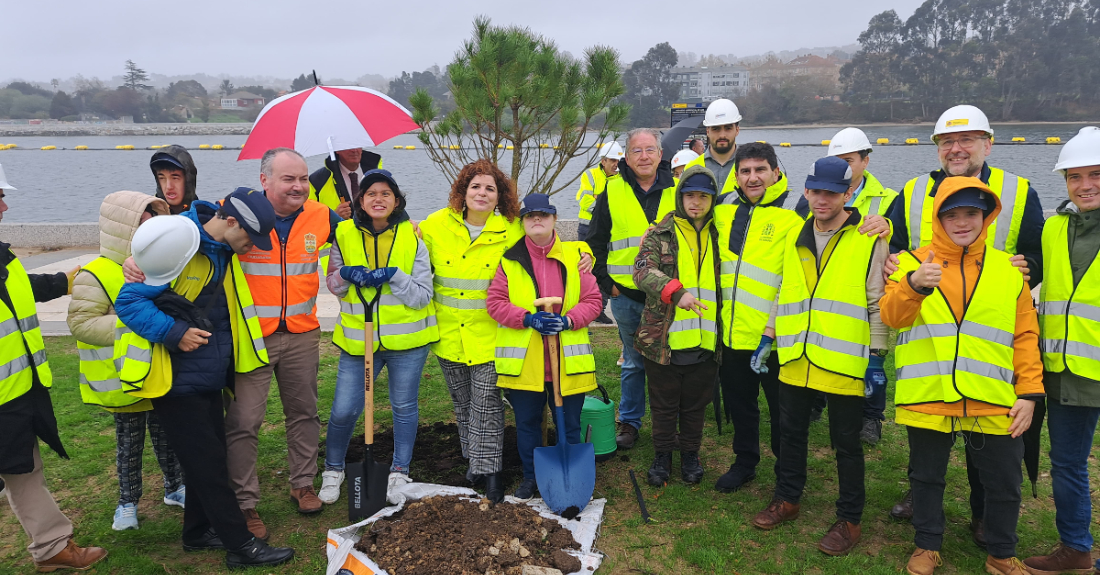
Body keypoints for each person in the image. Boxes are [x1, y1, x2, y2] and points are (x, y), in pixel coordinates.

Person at [114, 188, 295, 569]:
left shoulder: (218, 243)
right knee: (210, 465)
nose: (251, 247)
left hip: (209, 373)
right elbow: (128, 302)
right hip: (175, 379)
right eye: (249, 237)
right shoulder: (178, 240)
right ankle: (240, 545)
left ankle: (197, 531)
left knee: (207, 457)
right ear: (230, 222)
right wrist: (173, 332)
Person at [886, 105, 1045, 531]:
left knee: (987, 433)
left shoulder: (1018, 190)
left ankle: (983, 512)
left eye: (966, 140)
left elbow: (1037, 251)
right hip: (929, 327)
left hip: (988, 327)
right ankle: (921, 499)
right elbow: (897, 248)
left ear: (987, 144)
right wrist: (895, 265)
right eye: (946, 142)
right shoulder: (915, 190)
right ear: (937, 148)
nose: (956, 149)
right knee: (928, 430)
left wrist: (1028, 265)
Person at [751, 157, 889, 558]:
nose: (821, 199)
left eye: (831, 192)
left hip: (843, 360)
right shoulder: (796, 236)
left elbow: (877, 301)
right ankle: (787, 498)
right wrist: (768, 338)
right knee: (790, 434)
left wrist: (876, 356)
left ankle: (849, 518)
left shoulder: (868, 238)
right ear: (806, 190)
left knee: (846, 443)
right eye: (815, 191)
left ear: (848, 193)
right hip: (795, 356)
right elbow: (784, 290)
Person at [226, 148, 341, 534]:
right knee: (244, 420)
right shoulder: (236, 212)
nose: (298, 186)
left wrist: (410, 227)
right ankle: (244, 503)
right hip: (253, 338)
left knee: (304, 412)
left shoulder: (321, 216)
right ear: (264, 181)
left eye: (304, 178)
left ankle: (303, 484)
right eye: (288, 178)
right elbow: (198, 234)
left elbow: (366, 231)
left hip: (302, 333)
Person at [0, 163, 105, 572]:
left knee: (23, 471)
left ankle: (51, 545)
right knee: (22, 474)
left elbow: (19, 290)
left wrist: (67, 279)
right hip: (6, 398)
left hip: (17, 392)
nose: (5, 206)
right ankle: (51, 546)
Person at [66, 191, 185, 531]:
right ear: (123, 229)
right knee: (129, 446)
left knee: (167, 437)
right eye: (142, 226)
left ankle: (175, 487)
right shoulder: (95, 273)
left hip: (156, 374)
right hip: (120, 378)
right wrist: (135, 324)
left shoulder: (157, 266)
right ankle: (127, 503)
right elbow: (82, 323)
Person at [324, 169, 437, 504]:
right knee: (344, 409)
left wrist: (394, 276)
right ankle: (333, 468)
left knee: (403, 407)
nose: (378, 199)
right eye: (371, 193)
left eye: (386, 193)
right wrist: (345, 274)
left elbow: (421, 295)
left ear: (397, 201)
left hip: (407, 342)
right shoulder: (343, 234)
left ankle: (400, 470)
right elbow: (334, 286)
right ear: (360, 200)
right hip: (359, 342)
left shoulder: (412, 236)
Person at [418, 159, 524, 504]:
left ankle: (491, 473)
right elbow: (405, 246)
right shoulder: (435, 225)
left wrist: (585, 255)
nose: (482, 193)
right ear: (462, 192)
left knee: (487, 406)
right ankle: (474, 462)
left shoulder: (513, 230)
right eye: (475, 186)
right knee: (463, 405)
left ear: (499, 197)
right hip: (448, 336)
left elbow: (550, 246)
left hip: (491, 336)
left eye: (490, 188)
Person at [486, 193, 602, 501]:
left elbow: (593, 302)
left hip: (568, 363)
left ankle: (572, 478)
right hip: (527, 364)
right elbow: (495, 303)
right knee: (527, 425)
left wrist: (567, 321)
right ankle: (531, 477)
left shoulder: (576, 257)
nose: (537, 219)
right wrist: (527, 319)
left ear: (554, 218)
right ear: (523, 222)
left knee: (571, 424)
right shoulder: (509, 261)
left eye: (544, 214)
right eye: (530, 216)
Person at [1024, 127, 1100, 575]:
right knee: (1068, 465)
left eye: (1096, 174)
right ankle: (1076, 549)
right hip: (1066, 372)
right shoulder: (1053, 228)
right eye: (1074, 177)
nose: (1085, 185)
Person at [795, 127, 900, 444]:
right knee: (821, 348)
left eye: (850, 159)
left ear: (865, 161)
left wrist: (889, 227)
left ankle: (871, 417)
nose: (844, 165)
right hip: (825, 291)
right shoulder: (811, 198)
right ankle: (816, 402)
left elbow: (901, 245)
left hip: (866, 293)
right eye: (836, 159)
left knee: (872, 361)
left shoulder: (888, 200)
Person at [710, 143, 803, 494]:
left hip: (774, 338)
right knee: (741, 406)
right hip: (733, 335)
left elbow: (792, 282)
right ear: (736, 175)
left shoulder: (793, 214)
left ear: (775, 172)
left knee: (783, 413)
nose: (752, 178)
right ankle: (745, 462)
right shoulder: (725, 210)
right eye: (745, 171)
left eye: (760, 170)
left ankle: (787, 470)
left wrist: (772, 329)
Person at [586, 128, 678, 450]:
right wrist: (606, 283)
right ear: (626, 156)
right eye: (636, 151)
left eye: (650, 150)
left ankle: (668, 425)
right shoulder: (611, 191)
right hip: (625, 294)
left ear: (660, 154)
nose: (643, 156)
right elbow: (595, 240)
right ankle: (630, 422)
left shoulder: (677, 191)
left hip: (667, 296)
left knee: (669, 361)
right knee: (633, 361)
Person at [633, 165, 721, 486]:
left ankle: (690, 455)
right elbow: (642, 270)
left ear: (713, 200)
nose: (696, 202)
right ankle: (662, 455)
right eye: (689, 195)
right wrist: (675, 291)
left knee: (695, 406)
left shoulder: (722, 233)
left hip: (707, 340)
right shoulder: (659, 233)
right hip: (663, 340)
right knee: (664, 404)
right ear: (679, 196)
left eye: (703, 196)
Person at [308, 147, 383, 219]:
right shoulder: (318, 180)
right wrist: (334, 218)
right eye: (349, 147)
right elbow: (309, 219)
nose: (354, 150)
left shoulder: (379, 174)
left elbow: (392, 208)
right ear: (336, 149)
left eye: (357, 145)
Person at [684, 99, 742, 192]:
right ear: (708, 131)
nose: (722, 135)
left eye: (728, 128)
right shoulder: (691, 169)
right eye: (716, 129)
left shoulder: (750, 166)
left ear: (737, 130)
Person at [576, 142, 623, 240]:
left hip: (612, 228)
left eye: (619, 160)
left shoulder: (623, 178)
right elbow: (585, 200)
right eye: (613, 160)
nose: (616, 164)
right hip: (588, 227)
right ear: (603, 161)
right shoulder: (590, 175)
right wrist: (605, 211)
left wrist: (597, 197)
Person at [150, 145, 199, 215]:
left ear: (188, 180)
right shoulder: (146, 216)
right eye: (162, 178)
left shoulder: (205, 216)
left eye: (175, 178)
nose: (169, 187)